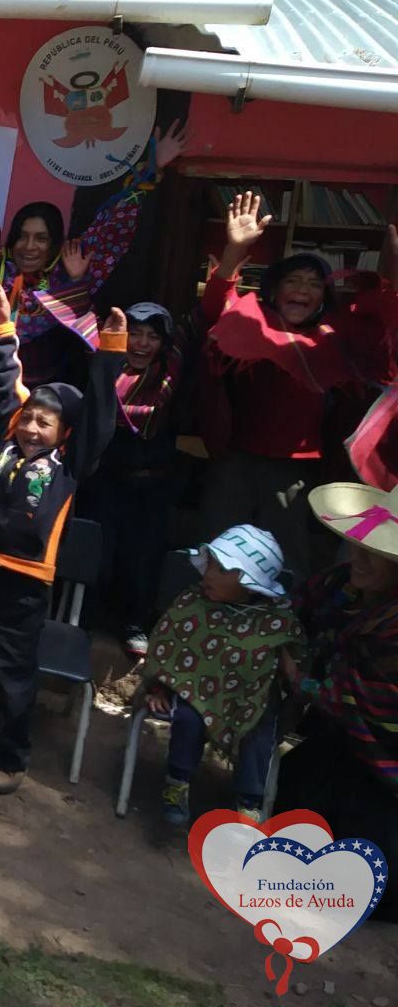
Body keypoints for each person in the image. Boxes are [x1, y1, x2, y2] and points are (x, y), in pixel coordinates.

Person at [0, 284, 126, 795]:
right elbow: (4, 382)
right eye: (29, 418)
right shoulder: (5, 440)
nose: (32, 428)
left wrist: (109, 353)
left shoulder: (70, 464)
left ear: (65, 432)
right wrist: (1, 326)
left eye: (46, 422)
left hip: (22, 589)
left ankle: (12, 756)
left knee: (11, 675)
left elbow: (99, 416)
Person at [200, 197, 398, 579]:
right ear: (274, 291)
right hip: (237, 459)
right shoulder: (252, 324)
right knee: (218, 547)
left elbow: (385, 330)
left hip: (297, 469)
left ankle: (287, 615)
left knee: (287, 558)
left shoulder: (335, 339)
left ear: (323, 299)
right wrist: (235, 249)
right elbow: (216, 307)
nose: (302, 289)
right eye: (293, 281)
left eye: (313, 284)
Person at [0, 106, 188, 388]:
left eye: (41, 238)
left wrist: (152, 171)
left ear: (55, 244)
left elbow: (112, 229)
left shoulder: (67, 273)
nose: (29, 246)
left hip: (48, 399)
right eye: (22, 236)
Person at [275, 477, 398, 921]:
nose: (359, 557)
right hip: (340, 740)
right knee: (295, 815)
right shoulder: (337, 585)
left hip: (386, 764)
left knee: (368, 868)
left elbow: (371, 699)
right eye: (359, 544)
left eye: (375, 552)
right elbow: (292, 612)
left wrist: (300, 680)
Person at [137, 525, 301, 824]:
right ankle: (177, 782)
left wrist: (292, 666)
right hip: (195, 689)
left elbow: (294, 662)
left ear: (251, 584)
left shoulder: (275, 620)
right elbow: (166, 646)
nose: (209, 574)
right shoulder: (192, 604)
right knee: (188, 718)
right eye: (210, 564)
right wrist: (159, 687)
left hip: (250, 698)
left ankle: (249, 802)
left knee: (260, 731)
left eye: (222, 569)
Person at [78, 301, 184, 657]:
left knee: (143, 555)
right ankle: (85, 619)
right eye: (134, 333)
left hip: (152, 484)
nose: (142, 344)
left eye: (152, 336)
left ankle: (134, 622)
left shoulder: (173, 374)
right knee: (99, 551)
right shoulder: (104, 365)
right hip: (106, 480)